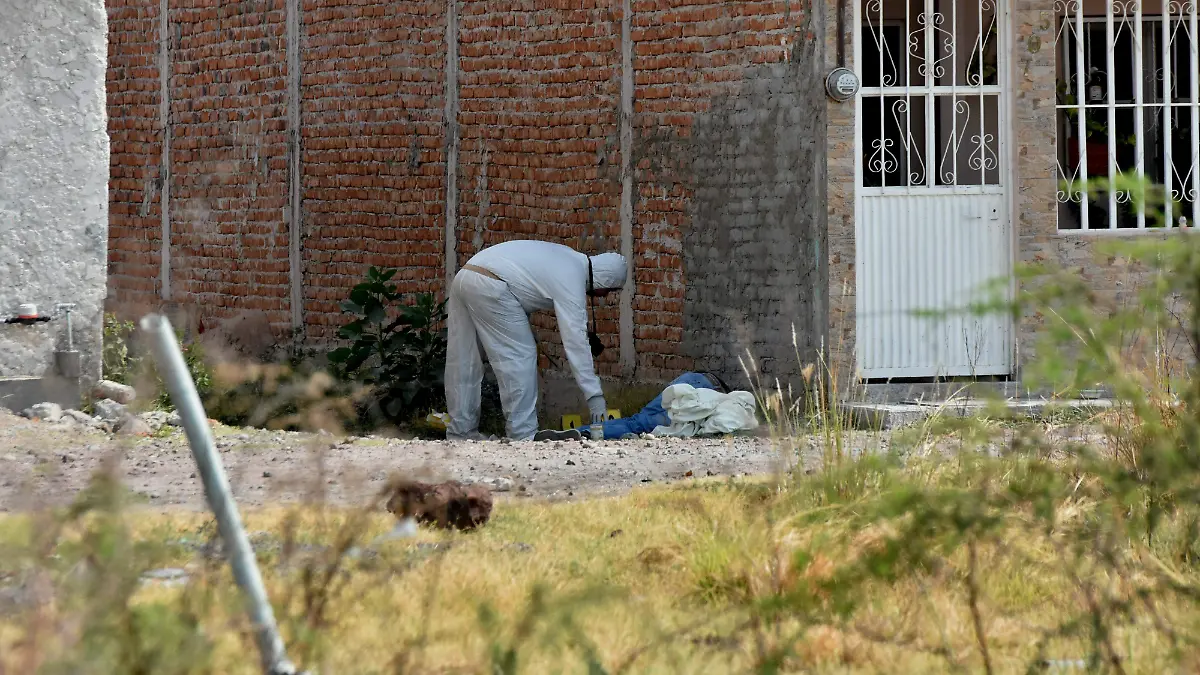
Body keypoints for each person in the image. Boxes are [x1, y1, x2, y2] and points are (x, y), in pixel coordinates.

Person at [444, 239, 628, 441]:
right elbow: (576, 341)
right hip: (491, 283)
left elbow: (523, 282)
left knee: (463, 357)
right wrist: (595, 397)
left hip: (466, 275)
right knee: (519, 356)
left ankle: (460, 432)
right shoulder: (573, 277)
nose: (604, 297)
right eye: (610, 290)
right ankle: (522, 435)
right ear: (606, 281)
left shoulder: (569, 258)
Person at [533, 372, 731, 442]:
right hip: (708, 392)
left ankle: (577, 432)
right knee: (636, 425)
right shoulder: (730, 401)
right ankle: (581, 434)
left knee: (636, 421)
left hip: (689, 379)